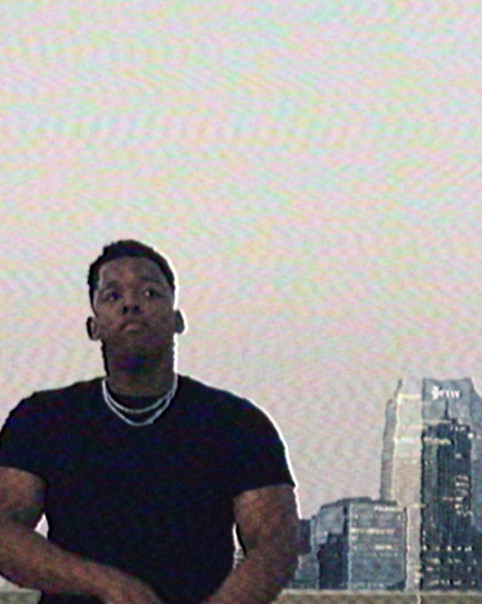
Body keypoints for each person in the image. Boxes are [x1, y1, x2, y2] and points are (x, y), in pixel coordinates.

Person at [0, 240, 299, 604]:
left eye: (150, 293)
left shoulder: (238, 425)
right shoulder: (42, 419)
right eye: (112, 296)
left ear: (177, 320)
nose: (131, 304)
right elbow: (5, 531)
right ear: (94, 327)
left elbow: (275, 545)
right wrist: (107, 585)